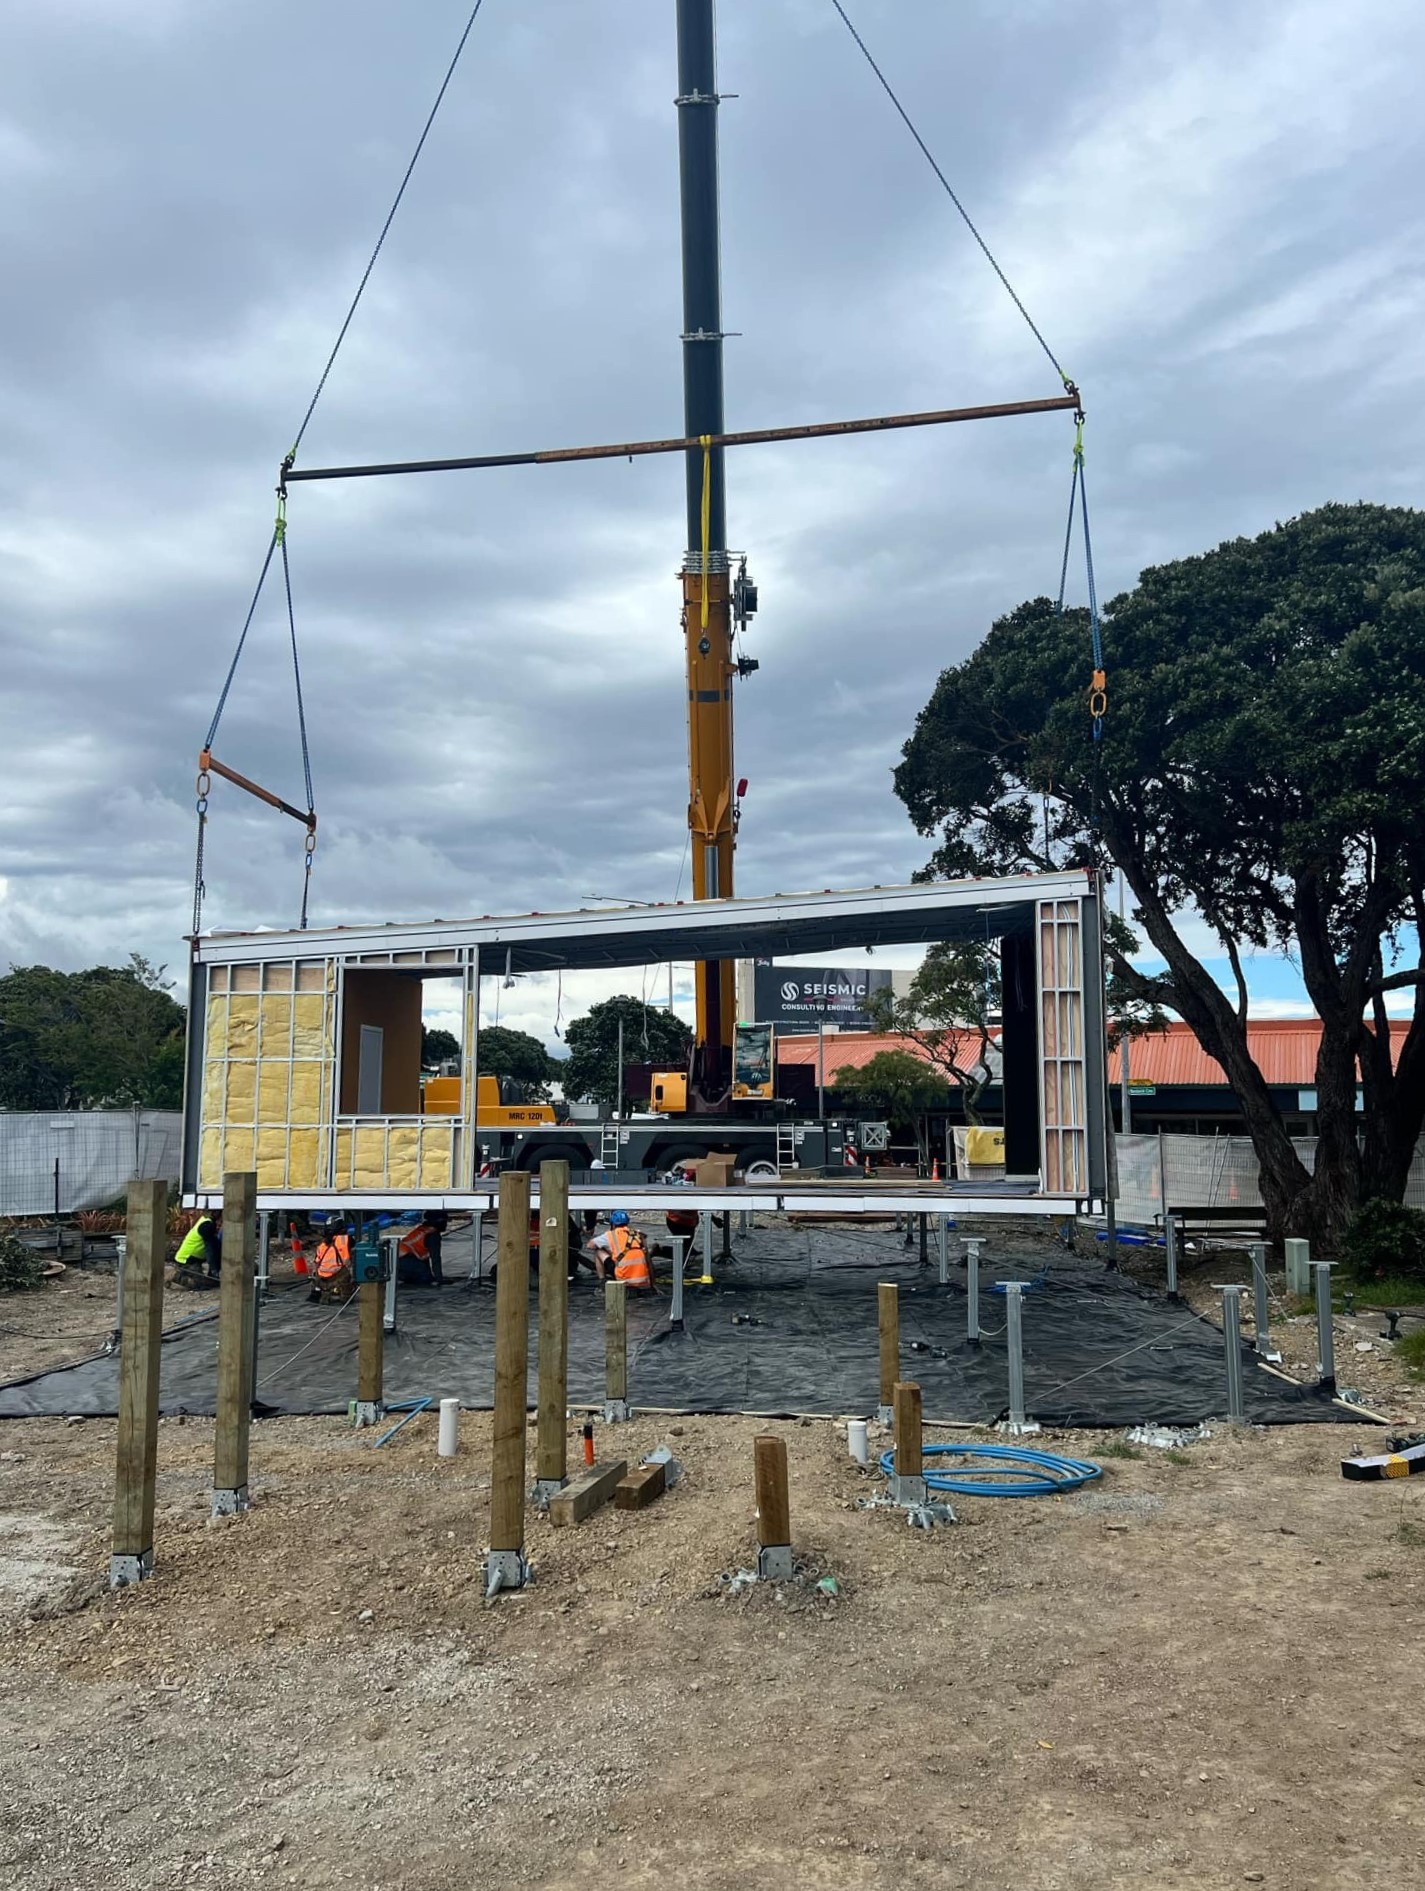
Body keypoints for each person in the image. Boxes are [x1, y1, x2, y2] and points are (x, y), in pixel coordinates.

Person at [588, 1210, 651, 1287]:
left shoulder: (611, 1235)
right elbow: (649, 1262)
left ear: (613, 1224)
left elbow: (590, 1245)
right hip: (644, 1281)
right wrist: (653, 1284)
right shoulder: (638, 1234)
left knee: (598, 1251)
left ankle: (602, 1281)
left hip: (623, 1280)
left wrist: (608, 1249)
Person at [173, 1211, 221, 1289]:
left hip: (193, 1259)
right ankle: (176, 1277)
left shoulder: (205, 1221)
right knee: (199, 1286)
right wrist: (214, 1269)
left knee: (213, 1283)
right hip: (187, 1260)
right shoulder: (207, 1226)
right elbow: (210, 1249)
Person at [310, 1224, 352, 1303]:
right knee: (350, 1269)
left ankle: (324, 1293)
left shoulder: (322, 1245)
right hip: (337, 1277)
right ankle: (344, 1294)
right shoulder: (344, 1239)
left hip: (320, 1279)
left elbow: (315, 1264)